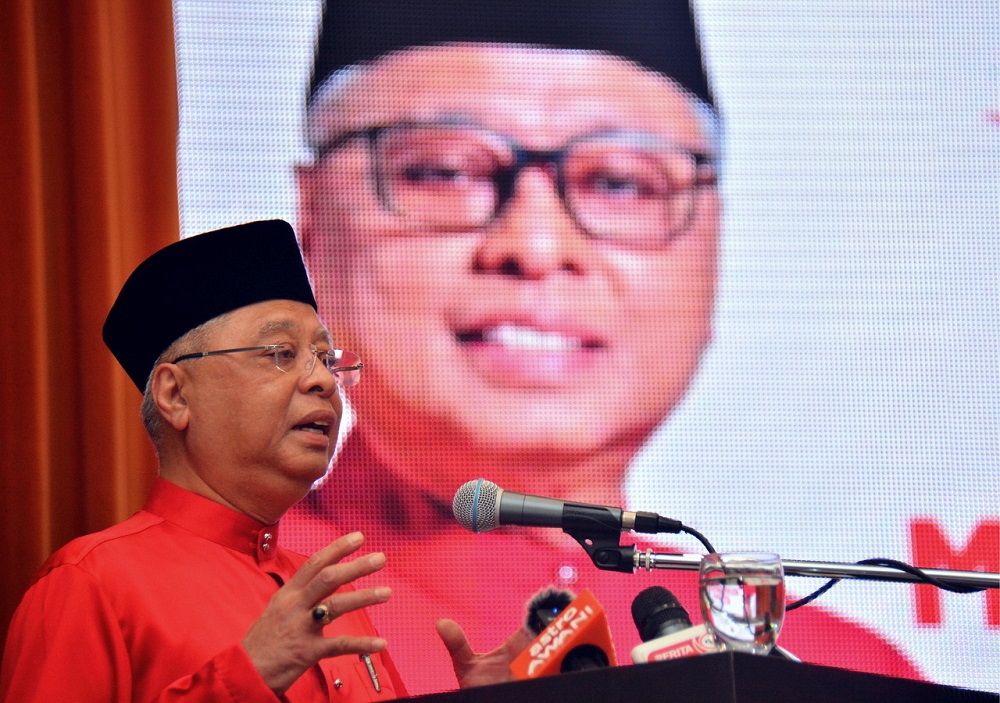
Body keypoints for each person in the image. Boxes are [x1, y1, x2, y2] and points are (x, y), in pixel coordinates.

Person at [283, 0, 923, 695]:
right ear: (311, 217)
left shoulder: (830, 668)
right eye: (445, 172)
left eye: (620, 182)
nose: (535, 246)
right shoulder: (251, 610)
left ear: (715, 238)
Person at [0, 220, 529, 702]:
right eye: (280, 353)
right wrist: (246, 674)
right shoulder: (90, 585)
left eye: (325, 358)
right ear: (176, 395)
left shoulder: (332, 592)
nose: (322, 380)